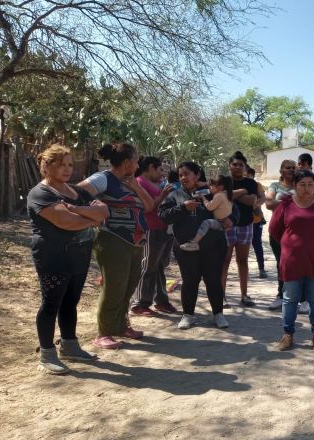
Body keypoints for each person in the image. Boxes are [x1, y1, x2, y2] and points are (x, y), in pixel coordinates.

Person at [27, 145, 109, 374]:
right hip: (53, 256)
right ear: (46, 166)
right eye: (61, 164)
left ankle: (70, 345)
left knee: (70, 301)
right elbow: (67, 222)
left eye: (70, 165)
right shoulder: (40, 194)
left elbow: (104, 212)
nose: (67, 169)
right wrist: (91, 217)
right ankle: (47, 353)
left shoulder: (76, 191)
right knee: (51, 303)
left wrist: (79, 210)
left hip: (79, 255)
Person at [78, 143, 154, 350]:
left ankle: (121, 325)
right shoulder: (104, 178)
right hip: (113, 241)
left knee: (128, 285)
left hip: (136, 242)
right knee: (113, 287)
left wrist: (137, 188)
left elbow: (149, 206)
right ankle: (104, 333)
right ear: (128, 162)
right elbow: (80, 190)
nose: (138, 164)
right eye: (136, 160)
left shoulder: (131, 182)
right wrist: (97, 211)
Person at [269, 169, 314, 351]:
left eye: (310, 184)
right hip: (292, 260)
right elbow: (274, 230)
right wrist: (290, 245)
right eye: (302, 184)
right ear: (294, 186)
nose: (306, 188)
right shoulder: (285, 205)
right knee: (290, 298)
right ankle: (288, 335)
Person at [158, 162, 233, 330]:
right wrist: (182, 208)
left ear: (197, 175)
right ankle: (188, 315)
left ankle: (218, 314)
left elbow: (233, 208)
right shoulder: (175, 195)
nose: (183, 177)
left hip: (214, 246)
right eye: (180, 175)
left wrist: (232, 219)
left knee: (213, 280)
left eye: (187, 174)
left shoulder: (212, 193)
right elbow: (163, 216)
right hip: (185, 247)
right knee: (190, 281)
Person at [130, 156, 177, 317]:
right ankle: (140, 303)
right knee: (148, 266)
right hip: (150, 229)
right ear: (150, 167)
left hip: (164, 229)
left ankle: (161, 300)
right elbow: (148, 206)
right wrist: (163, 195)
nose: (161, 173)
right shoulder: (139, 183)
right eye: (159, 169)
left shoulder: (156, 183)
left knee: (159, 267)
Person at [221, 151, 260, 307]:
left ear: (245, 167)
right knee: (224, 261)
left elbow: (252, 201)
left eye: (240, 165)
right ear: (229, 166)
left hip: (245, 225)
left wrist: (232, 195)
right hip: (226, 226)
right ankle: (221, 296)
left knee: (242, 261)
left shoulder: (251, 183)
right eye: (234, 164)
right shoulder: (223, 181)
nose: (237, 167)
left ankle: (244, 295)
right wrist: (242, 193)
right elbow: (221, 197)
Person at [265, 159, 297, 310]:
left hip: (296, 231)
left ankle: (300, 297)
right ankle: (281, 295)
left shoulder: (300, 184)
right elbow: (269, 204)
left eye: (293, 167)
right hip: (278, 231)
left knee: (297, 264)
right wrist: (290, 200)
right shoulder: (274, 186)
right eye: (287, 167)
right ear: (281, 170)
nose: (291, 170)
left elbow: (309, 200)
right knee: (281, 264)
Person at [179, 175, 233, 251]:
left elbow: (210, 207)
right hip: (226, 223)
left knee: (206, 223)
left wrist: (203, 197)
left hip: (221, 222)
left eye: (211, 186)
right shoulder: (227, 194)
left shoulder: (219, 196)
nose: (209, 188)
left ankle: (194, 243)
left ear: (220, 187)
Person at [246, 166, 268, 279]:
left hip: (256, 219)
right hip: (242, 221)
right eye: (245, 175)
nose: (246, 177)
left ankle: (261, 269)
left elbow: (264, 198)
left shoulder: (257, 185)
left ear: (253, 176)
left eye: (249, 175)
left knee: (257, 244)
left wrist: (255, 204)